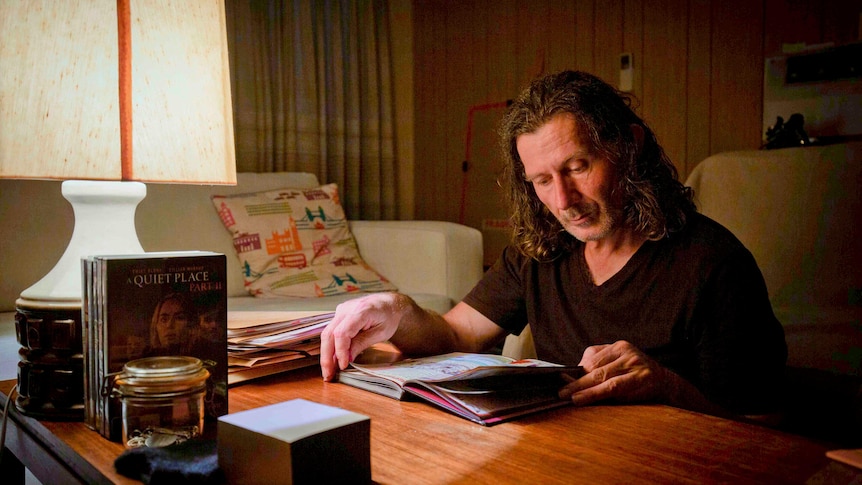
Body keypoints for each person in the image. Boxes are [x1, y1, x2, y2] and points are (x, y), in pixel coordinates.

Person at [320, 70, 787, 419]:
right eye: (542, 181)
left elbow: (761, 423)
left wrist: (666, 386)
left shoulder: (714, 264)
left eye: (578, 167)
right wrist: (396, 310)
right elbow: (455, 334)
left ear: (630, 146)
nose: (563, 201)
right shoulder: (539, 251)